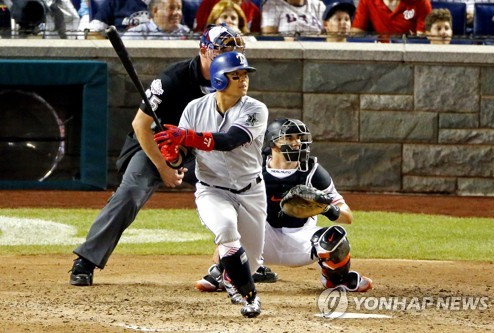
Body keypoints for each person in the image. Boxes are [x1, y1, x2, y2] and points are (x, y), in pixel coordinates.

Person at [69, 23, 249, 286]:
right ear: (204, 51)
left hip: (200, 148)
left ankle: (230, 265)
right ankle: (85, 260)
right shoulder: (173, 79)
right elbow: (140, 125)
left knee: (242, 191)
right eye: (222, 51)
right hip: (154, 143)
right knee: (131, 192)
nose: (228, 59)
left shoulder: (236, 80)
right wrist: (164, 166)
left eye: (234, 51)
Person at [195, 118, 373, 294]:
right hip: (262, 237)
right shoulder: (252, 167)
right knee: (234, 218)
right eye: (290, 138)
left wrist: (327, 208)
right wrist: (223, 246)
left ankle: (336, 280)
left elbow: (347, 216)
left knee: (336, 237)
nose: (297, 143)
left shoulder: (313, 171)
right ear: (273, 142)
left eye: (300, 138)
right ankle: (226, 273)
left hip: (301, 239)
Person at [153, 51, 268, 317]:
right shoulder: (194, 109)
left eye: (244, 75)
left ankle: (231, 276)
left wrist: (187, 137)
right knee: (226, 230)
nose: (243, 80)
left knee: (249, 264)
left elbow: (229, 140)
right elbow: (182, 154)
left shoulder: (255, 109)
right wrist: (172, 155)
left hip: (252, 192)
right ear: (218, 80)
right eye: (235, 75)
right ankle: (250, 297)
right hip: (212, 190)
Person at [351, 0, 432, 38]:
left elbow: (422, 40)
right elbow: (356, 32)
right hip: (380, 53)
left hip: (410, 54)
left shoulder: (421, 2)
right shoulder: (367, 1)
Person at [123, 0, 190, 39]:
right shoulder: (137, 33)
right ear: (155, 11)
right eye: (171, 8)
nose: (177, 13)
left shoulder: (186, 32)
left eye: (179, 8)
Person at [260, 0, 325, 37]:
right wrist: (284, 41)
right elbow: (269, 38)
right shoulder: (272, 4)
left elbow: (329, 34)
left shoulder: (318, 5)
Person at [194, 0, 261, 33]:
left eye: (233, 18)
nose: (229, 20)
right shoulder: (208, 3)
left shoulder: (253, 10)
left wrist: (239, 36)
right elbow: (198, 32)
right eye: (225, 17)